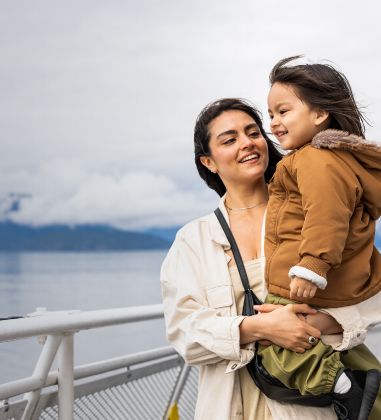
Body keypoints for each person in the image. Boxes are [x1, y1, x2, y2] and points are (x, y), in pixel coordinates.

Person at [161, 97, 381, 419]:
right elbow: (184, 333)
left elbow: (370, 291)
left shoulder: (315, 213)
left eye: (253, 133)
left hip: (311, 406)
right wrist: (259, 327)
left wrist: (321, 322)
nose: (247, 143)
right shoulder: (192, 240)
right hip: (229, 405)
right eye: (230, 139)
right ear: (208, 162)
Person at [259, 56, 381, 419]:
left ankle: (347, 389)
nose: (274, 123)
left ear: (319, 114)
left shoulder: (314, 158)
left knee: (274, 348)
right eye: (270, 114)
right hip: (330, 288)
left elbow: (326, 213)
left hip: (306, 285)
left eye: (283, 111)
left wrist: (312, 265)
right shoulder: (329, 159)